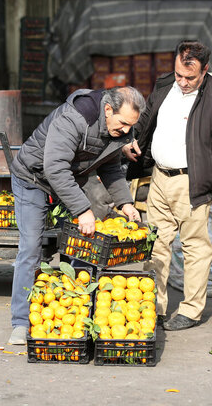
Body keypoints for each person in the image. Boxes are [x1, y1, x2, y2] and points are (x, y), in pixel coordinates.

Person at [8, 86, 145, 345]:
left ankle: (76, 315)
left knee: (83, 245)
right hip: (34, 177)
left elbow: (111, 167)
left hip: (69, 181)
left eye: (131, 126)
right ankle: (21, 322)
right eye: (124, 123)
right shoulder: (75, 117)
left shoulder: (118, 130)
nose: (127, 131)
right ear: (108, 110)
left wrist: (125, 203)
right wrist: (83, 210)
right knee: (30, 249)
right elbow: (55, 167)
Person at [123, 40, 212, 331]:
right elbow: (146, 120)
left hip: (192, 181)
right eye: (179, 75)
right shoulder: (164, 85)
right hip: (159, 178)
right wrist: (131, 141)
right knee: (157, 243)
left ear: (205, 71)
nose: (184, 82)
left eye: (190, 77)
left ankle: (191, 310)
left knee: (194, 246)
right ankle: (157, 307)